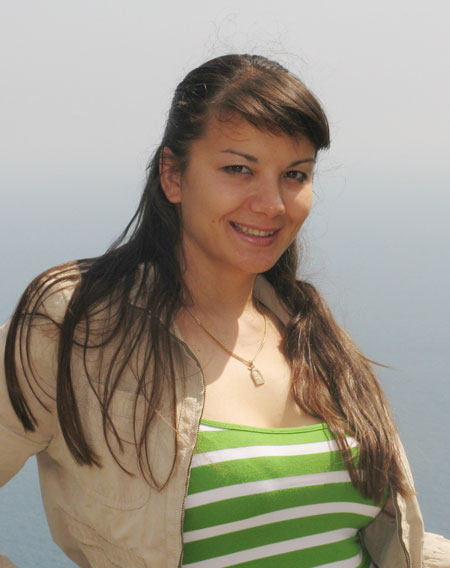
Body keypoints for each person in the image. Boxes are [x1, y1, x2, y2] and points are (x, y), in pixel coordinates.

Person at [0, 54, 448, 568]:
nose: (272, 203)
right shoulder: (75, 324)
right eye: (239, 169)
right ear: (173, 175)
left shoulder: (313, 335)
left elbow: (393, 545)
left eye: (295, 174)